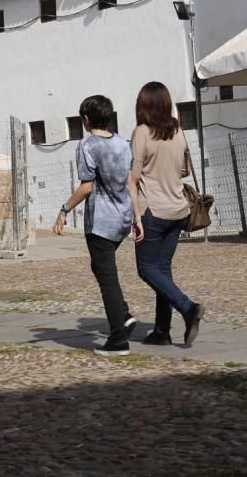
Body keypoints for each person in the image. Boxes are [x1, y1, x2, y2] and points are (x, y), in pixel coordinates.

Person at [54, 95, 143, 356]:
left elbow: (86, 186)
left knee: (107, 278)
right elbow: (131, 182)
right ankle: (123, 315)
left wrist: (63, 210)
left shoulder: (87, 145)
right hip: (123, 217)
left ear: (86, 119)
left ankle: (118, 337)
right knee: (102, 267)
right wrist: (137, 218)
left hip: (101, 220)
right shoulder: (122, 143)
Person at [129, 81, 205, 347]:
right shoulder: (178, 132)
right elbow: (184, 171)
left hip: (154, 210)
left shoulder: (141, 133)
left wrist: (136, 218)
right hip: (178, 210)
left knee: (146, 268)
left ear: (143, 105)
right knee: (162, 269)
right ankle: (161, 331)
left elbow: (133, 177)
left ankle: (188, 307)